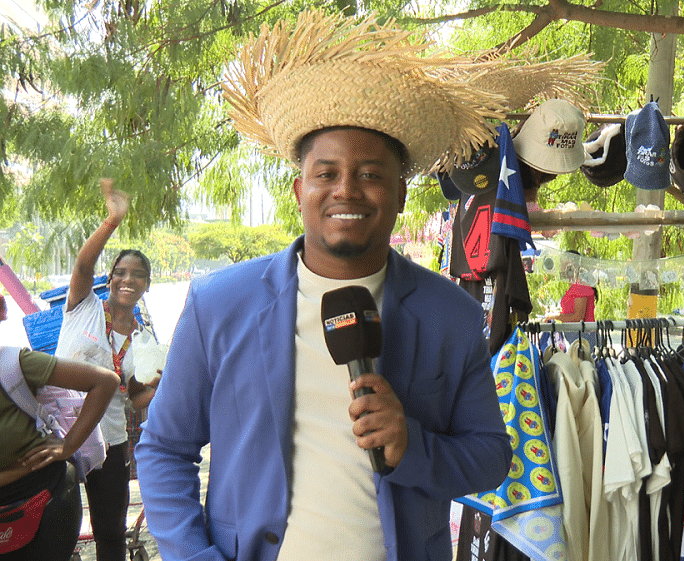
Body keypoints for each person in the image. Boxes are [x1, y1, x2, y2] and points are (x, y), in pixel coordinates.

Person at [135, 11, 512, 561]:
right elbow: (164, 449)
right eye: (327, 173)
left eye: (370, 174)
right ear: (299, 189)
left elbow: (490, 457)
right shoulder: (219, 305)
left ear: (401, 194)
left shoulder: (450, 314)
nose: (347, 191)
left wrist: (413, 445)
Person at [54, 179, 159, 561]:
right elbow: (83, 264)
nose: (128, 279)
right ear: (110, 277)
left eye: (138, 275)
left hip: (109, 443)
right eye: (121, 272)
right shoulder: (83, 305)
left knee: (110, 534)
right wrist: (112, 221)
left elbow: (133, 397)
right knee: (54, 528)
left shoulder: (144, 340)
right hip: (58, 432)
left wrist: (161, 387)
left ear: (147, 285)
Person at [1, 294, 119, 560]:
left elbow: (105, 382)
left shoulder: (15, 363)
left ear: (1, 310)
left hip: (47, 495)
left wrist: (69, 445)